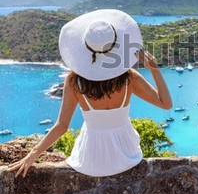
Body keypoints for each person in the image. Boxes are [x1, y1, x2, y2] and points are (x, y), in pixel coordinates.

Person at [8, 9, 172, 177]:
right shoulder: (129, 78)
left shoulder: (74, 81)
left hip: (90, 159)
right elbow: (166, 104)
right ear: (116, 46)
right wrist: (154, 68)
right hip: (127, 155)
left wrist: (33, 154)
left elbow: (62, 126)